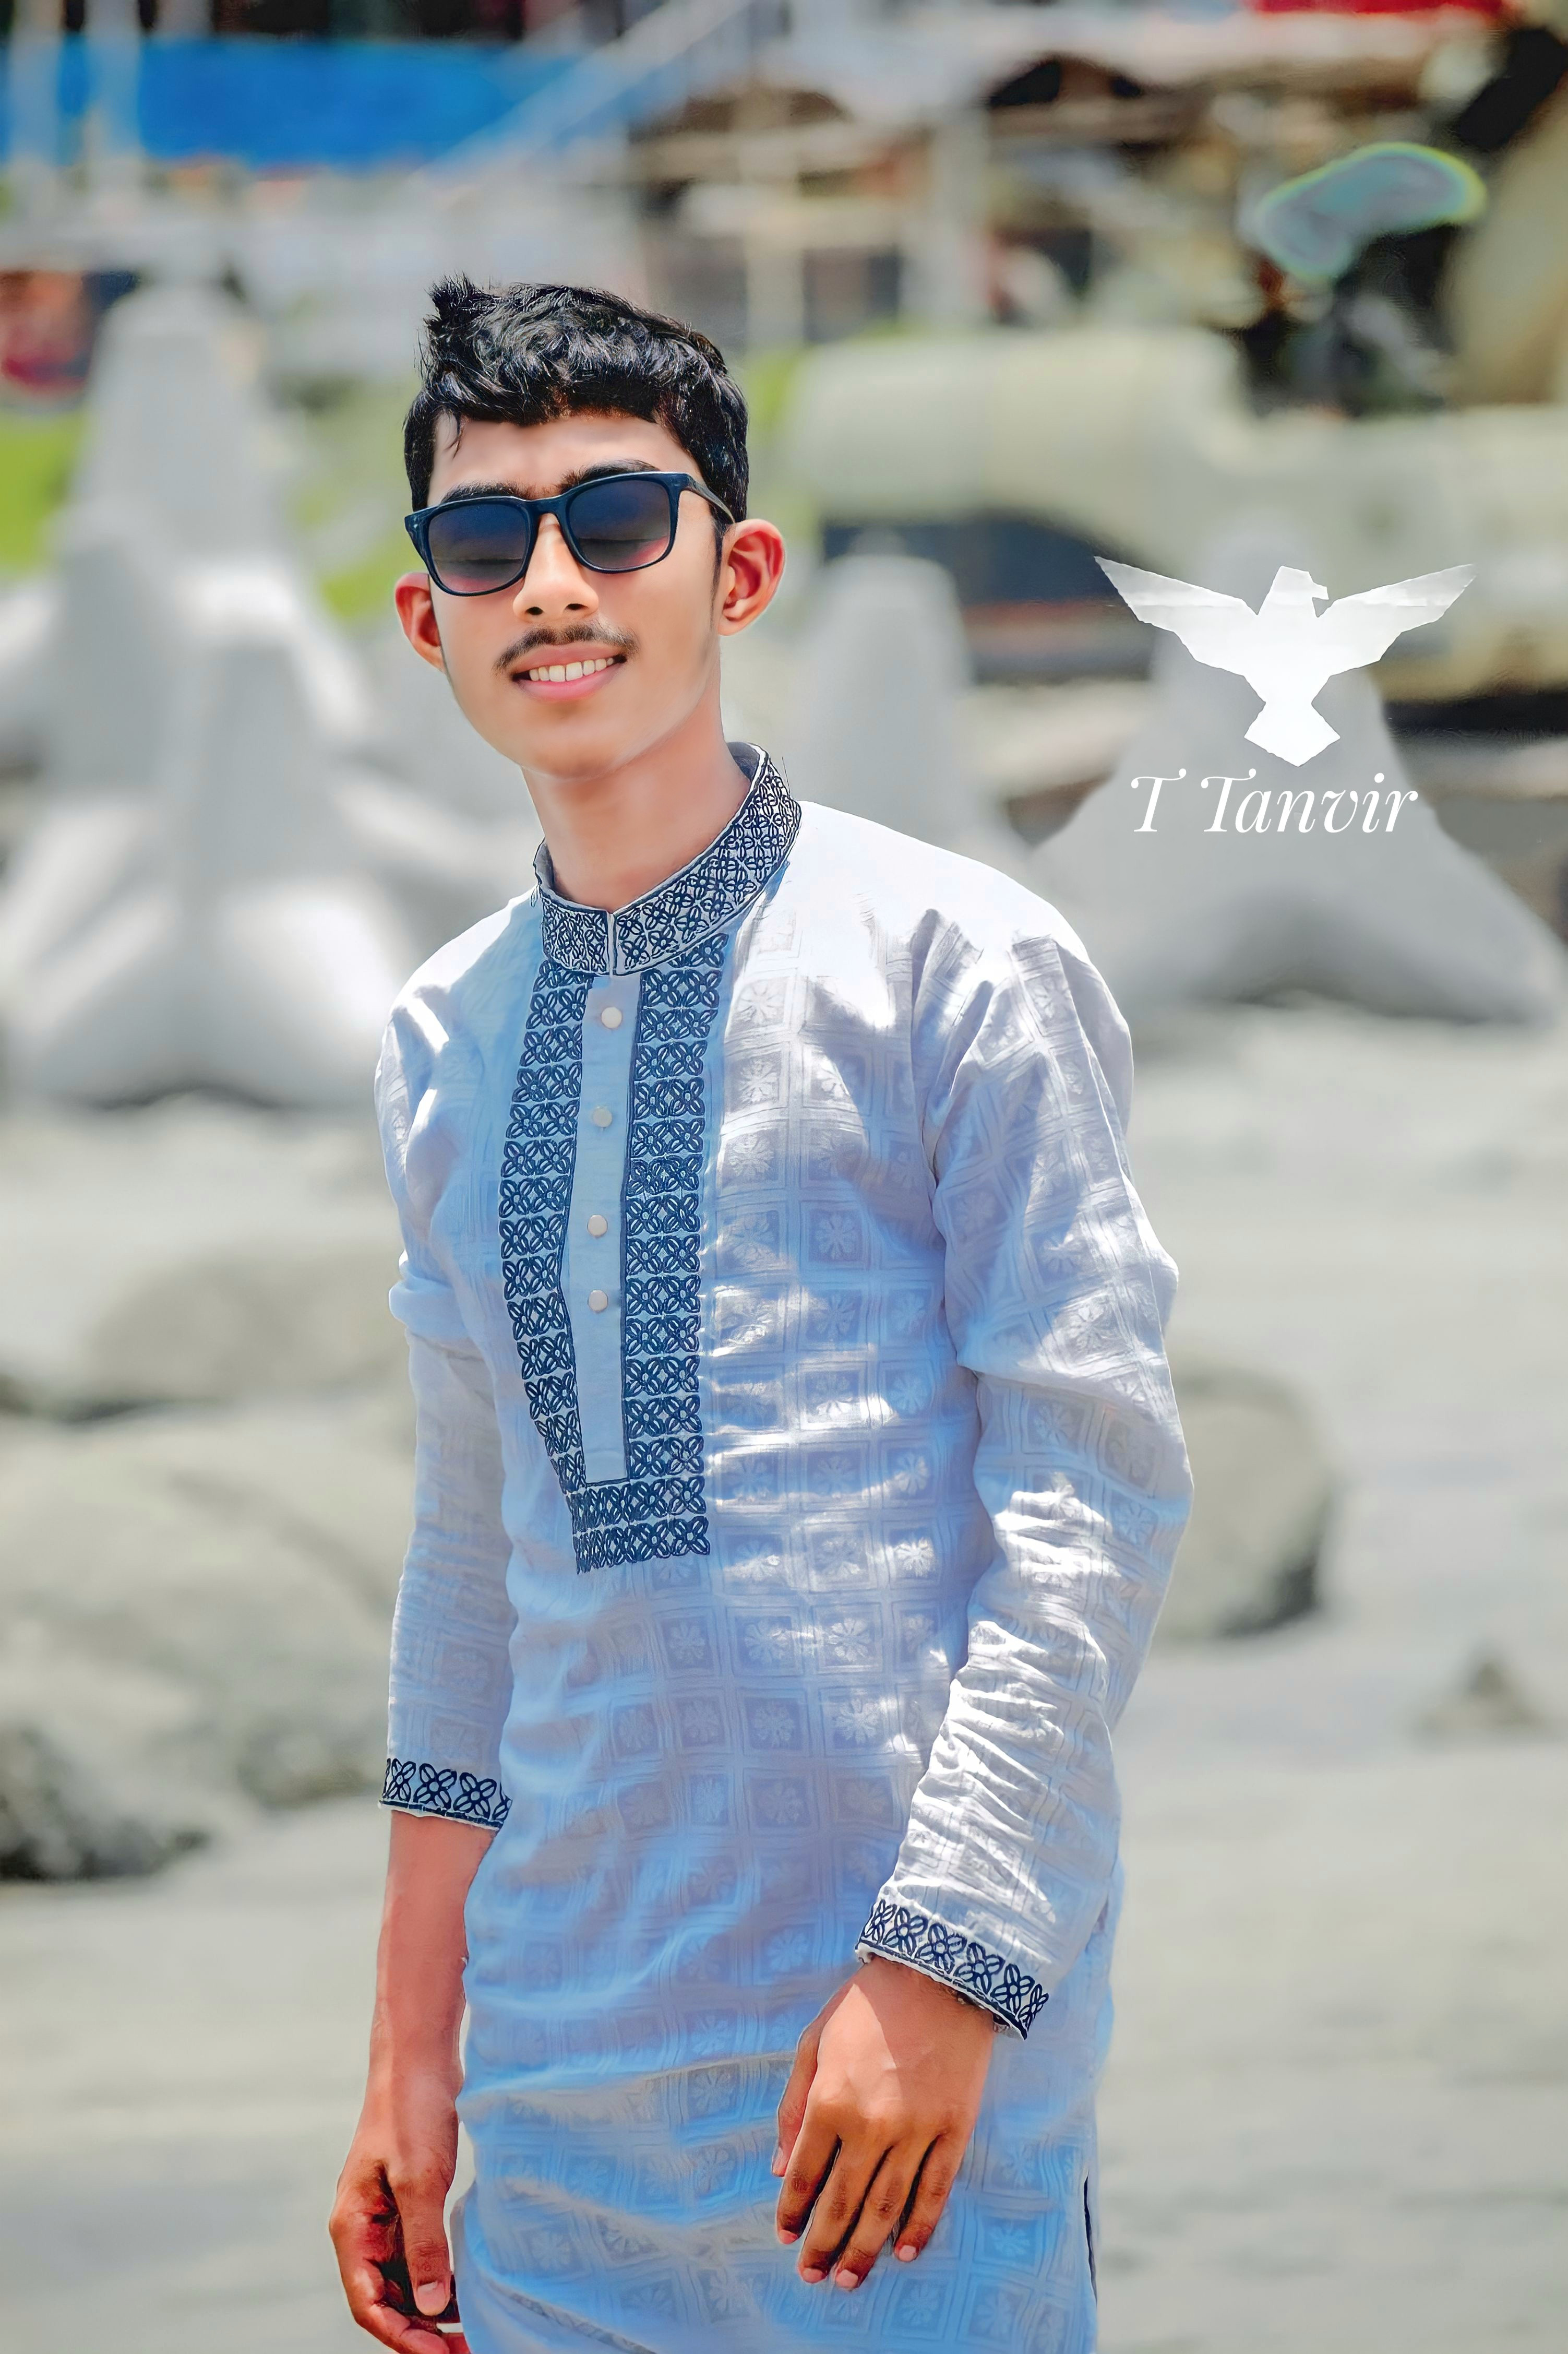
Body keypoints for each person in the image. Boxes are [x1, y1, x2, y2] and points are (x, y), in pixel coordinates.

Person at [330, 277, 1192, 2354]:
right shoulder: (442, 1037)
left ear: (736, 570)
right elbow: (468, 1571)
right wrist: (410, 2059)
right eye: (488, 538)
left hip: (895, 2101)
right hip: (554, 2120)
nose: (553, 582)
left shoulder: (950, 961)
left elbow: (1091, 1500)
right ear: (425, 616)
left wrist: (944, 1969)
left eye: (616, 520)